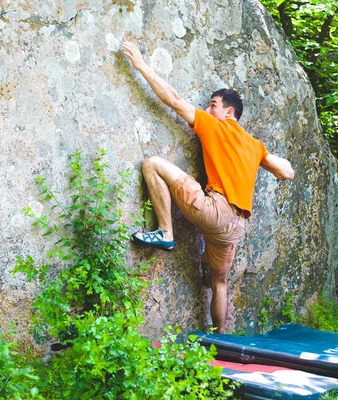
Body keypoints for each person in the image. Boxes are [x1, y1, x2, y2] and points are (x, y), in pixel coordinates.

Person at [122, 41, 295, 333]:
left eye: (212, 104)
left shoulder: (215, 126)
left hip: (215, 211)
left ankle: (165, 232)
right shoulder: (254, 146)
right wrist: (264, 159)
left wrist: (141, 65)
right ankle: (221, 338)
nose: (206, 109)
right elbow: (286, 172)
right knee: (219, 282)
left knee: (152, 164)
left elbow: (174, 100)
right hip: (236, 227)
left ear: (229, 112)